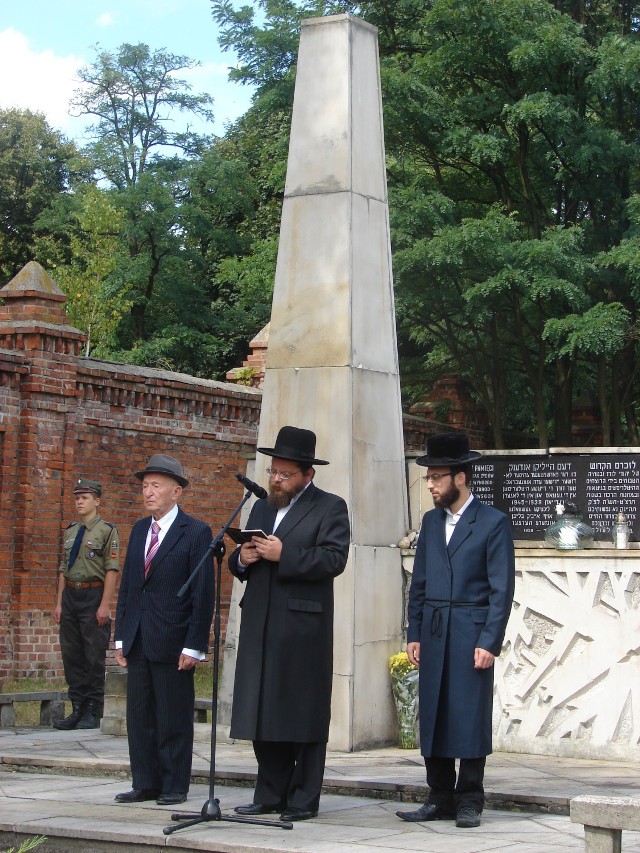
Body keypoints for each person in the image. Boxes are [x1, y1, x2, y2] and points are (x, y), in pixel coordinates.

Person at [230, 426, 350, 822]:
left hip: (302, 628)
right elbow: (241, 559)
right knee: (264, 709)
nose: (276, 479)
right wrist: (242, 559)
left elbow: (334, 560)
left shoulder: (330, 507)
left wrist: (287, 554)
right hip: (261, 622)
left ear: (307, 475)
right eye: (273, 471)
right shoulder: (262, 507)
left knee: (301, 712)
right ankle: (269, 793)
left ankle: (302, 799)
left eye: (285, 474)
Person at [396, 432, 515, 829]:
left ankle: (470, 798)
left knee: (467, 713)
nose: (429, 483)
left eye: (436, 476)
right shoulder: (430, 522)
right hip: (432, 629)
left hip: (471, 629)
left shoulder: (493, 523)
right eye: (429, 476)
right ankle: (439, 795)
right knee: (434, 712)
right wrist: (414, 632)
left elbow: (502, 588)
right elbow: (421, 582)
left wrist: (490, 641)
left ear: (460, 477)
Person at [113, 454, 214, 806]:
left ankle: (174, 784)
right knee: (139, 715)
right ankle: (145, 781)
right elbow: (128, 586)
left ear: (177, 491)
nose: (148, 492)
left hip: (173, 639)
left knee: (172, 716)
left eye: (156, 486)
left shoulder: (196, 532)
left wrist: (194, 645)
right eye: (144, 486)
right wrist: (122, 636)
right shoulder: (140, 529)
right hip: (139, 636)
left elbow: (203, 594)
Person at [53, 478, 119, 730]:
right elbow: (63, 569)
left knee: (93, 655)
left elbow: (111, 569)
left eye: (85, 498)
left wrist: (104, 605)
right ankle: (77, 707)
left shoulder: (106, 530)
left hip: (93, 594)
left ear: (97, 501)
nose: (79, 502)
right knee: (71, 654)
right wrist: (59, 603)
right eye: (77, 498)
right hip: (71, 596)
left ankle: (93, 708)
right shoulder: (70, 531)